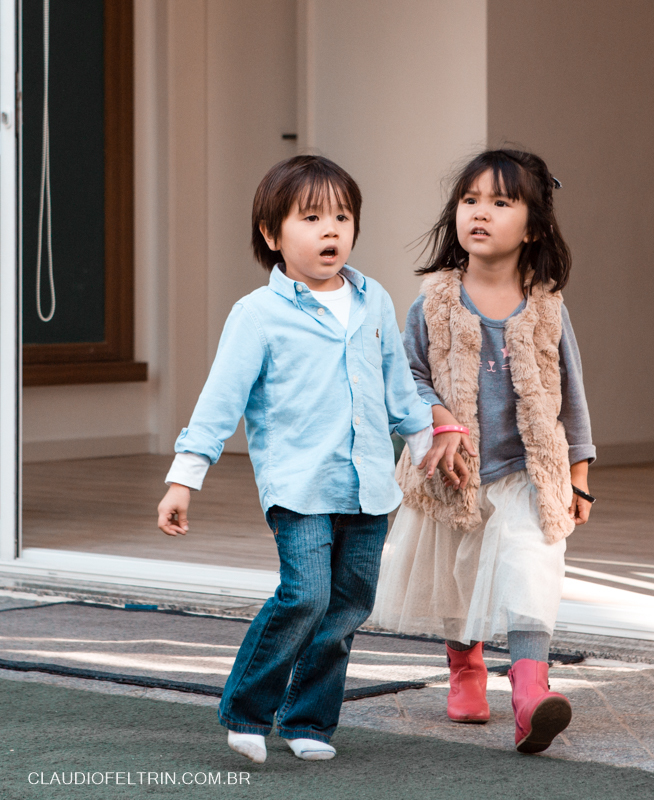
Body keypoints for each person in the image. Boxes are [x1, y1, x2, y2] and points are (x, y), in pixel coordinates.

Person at [155, 155, 434, 764]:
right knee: (305, 596)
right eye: (311, 218)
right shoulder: (258, 315)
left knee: (349, 607)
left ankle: (308, 720)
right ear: (271, 234)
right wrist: (185, 477)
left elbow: (397, 383)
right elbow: (219, 400)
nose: (330, 229)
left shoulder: (374, 300)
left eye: (342, 216)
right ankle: (247, 711)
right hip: (299, 489)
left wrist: (421, 438)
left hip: (368, 488)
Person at [369, 149, 595, 754]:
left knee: (531, 570)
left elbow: (569, 393)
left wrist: (578, 472)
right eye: (470, 200)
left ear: (535, 226)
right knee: (456, 578)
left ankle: (529, 693)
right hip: (452, 472)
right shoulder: (435, 302)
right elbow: (406, 376)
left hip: (528, 471)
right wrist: (438, 417)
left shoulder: (548, 307)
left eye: (501, 202)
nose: (481, 213)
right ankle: (466, 671)